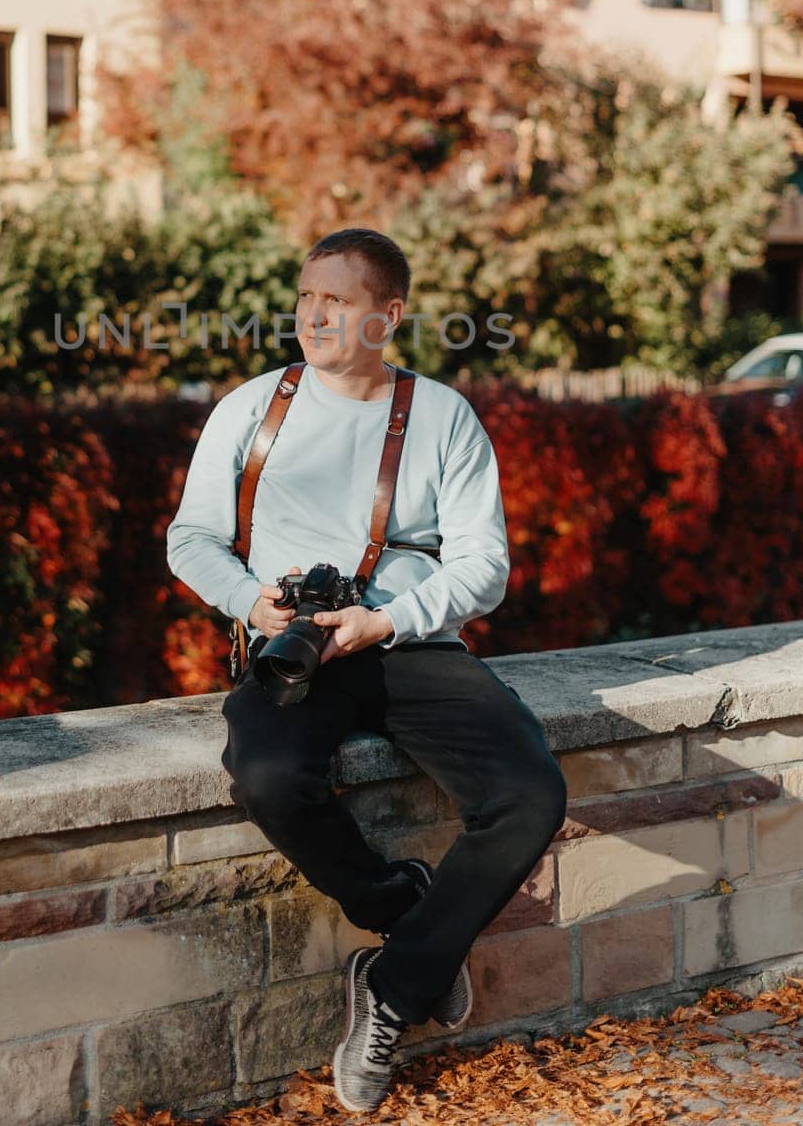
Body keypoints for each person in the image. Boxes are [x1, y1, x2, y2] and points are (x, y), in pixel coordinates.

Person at [165, 228, 568, 1114]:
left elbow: (483, 568)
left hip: (408, 638)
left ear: (388, 317)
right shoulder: (251, 407)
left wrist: (388, 616)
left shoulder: (443, 415)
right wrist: (250, 602)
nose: (313, 315)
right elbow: (190, 535)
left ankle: (390, 988)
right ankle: (401, 907)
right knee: (266, 776)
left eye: (337, 301)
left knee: (530, 793)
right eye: (307, 297)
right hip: (294, 644)